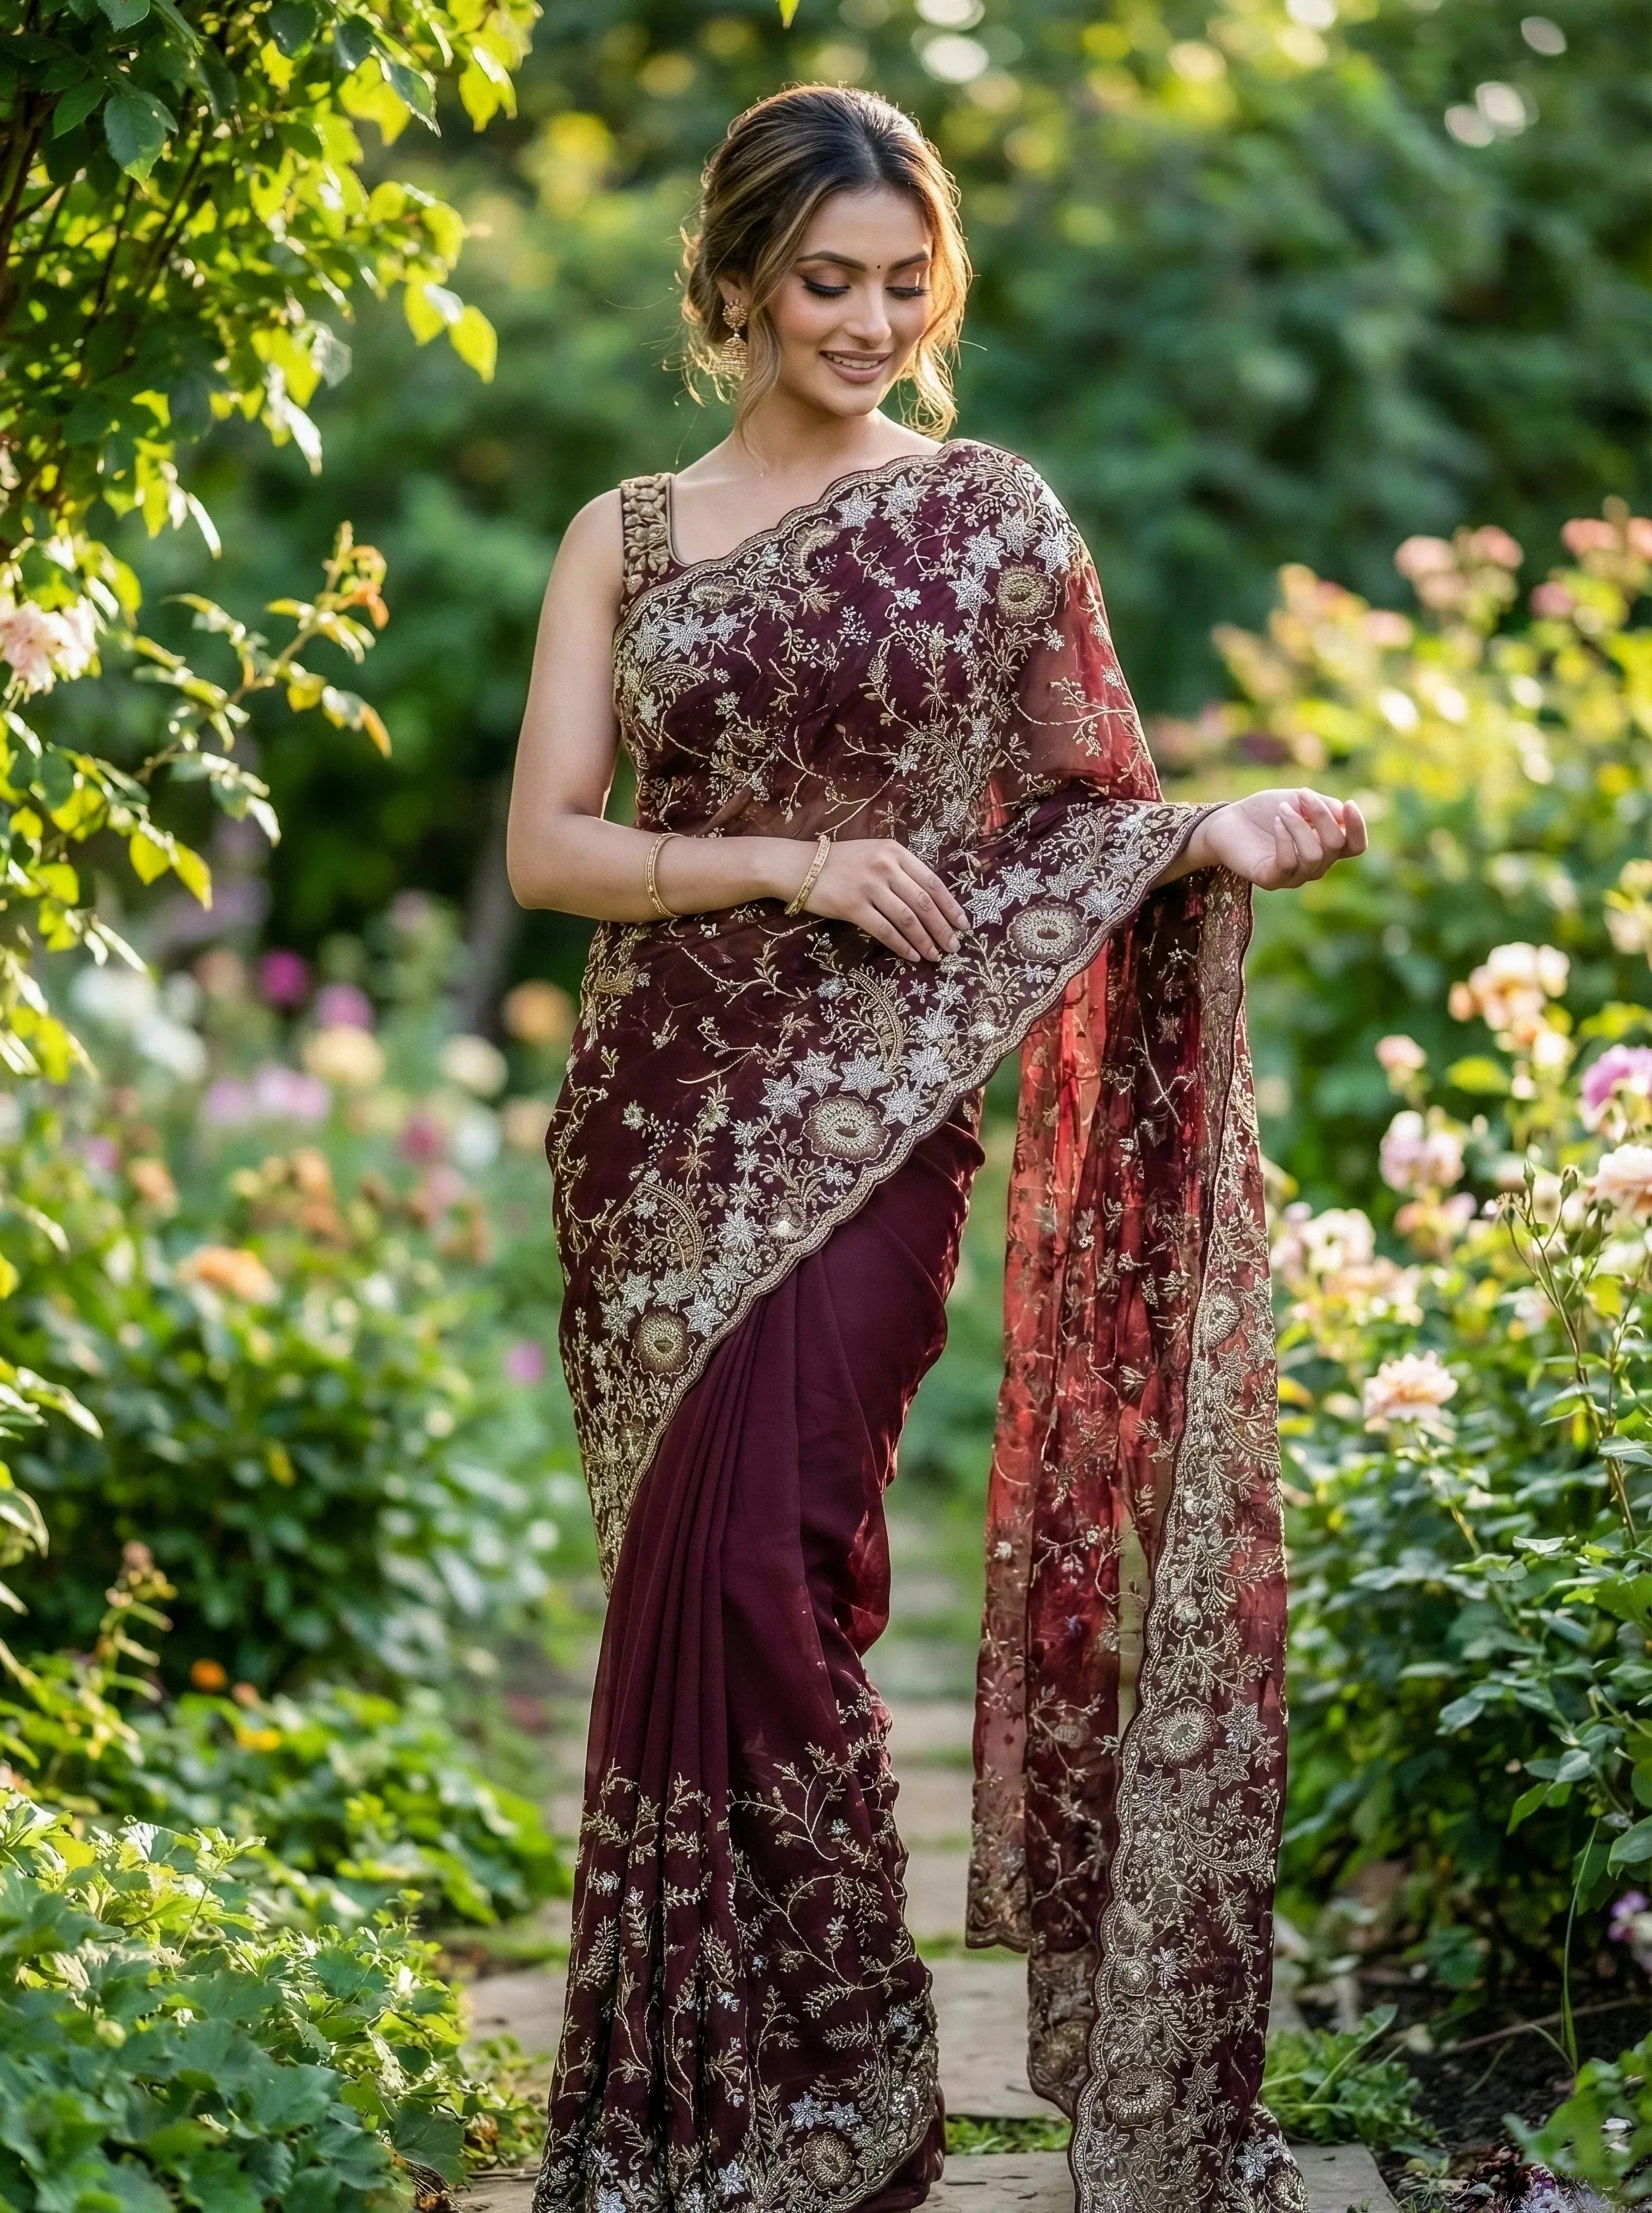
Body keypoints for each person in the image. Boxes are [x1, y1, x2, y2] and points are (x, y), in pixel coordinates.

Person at [507, 82, 1366, 2213]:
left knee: (767, 1568)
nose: (868, 317)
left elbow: (1085, 807)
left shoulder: (989, 515)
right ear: (730, 282)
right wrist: (794, 864)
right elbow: (549, 844)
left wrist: (1206, 831)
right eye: (824, 279)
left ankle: (835, 2076)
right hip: (653, 1130)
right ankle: (705, 2100)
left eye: (905, 281)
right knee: (682, 1588)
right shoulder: (620, 534)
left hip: (876, 1129)